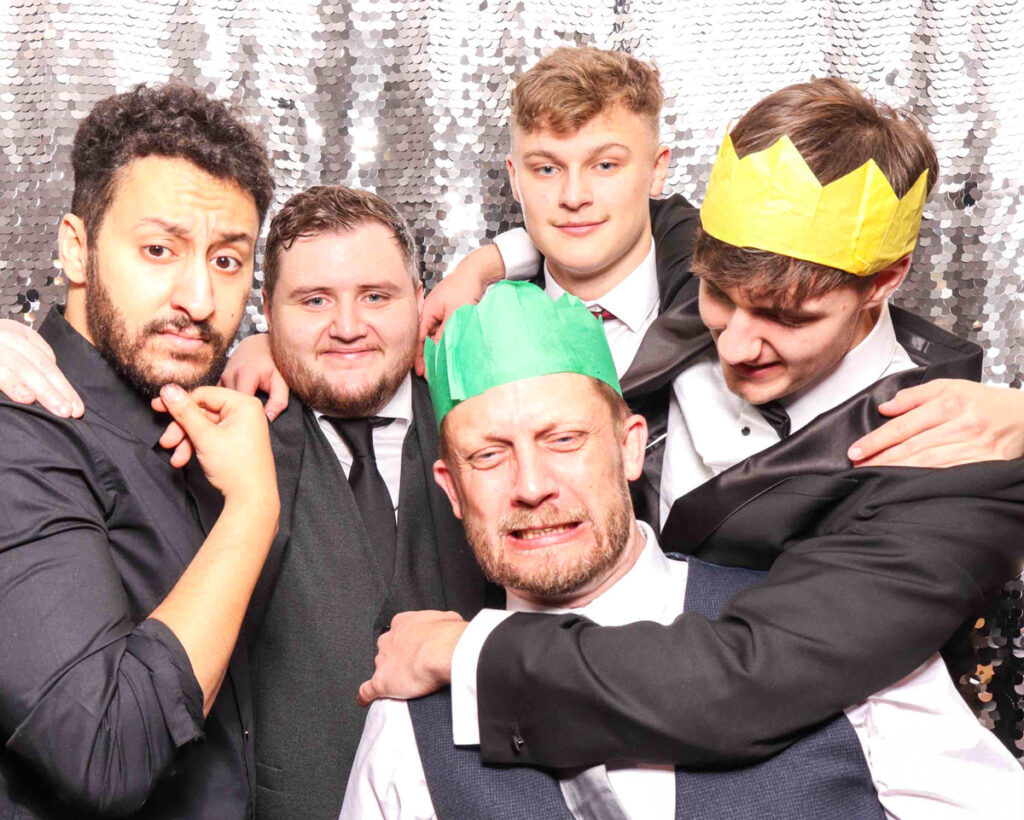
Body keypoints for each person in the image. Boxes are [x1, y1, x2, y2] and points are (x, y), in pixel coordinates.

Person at [355, 62, 1024, 770]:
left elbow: (748, 680)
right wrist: (481, 266)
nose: (734, 342)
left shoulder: (960, 464)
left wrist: (469, 652)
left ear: (884, 281)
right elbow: (612, 219)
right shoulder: (689, 254)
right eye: (720, 295)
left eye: (785, 317)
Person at [342, 280, 1024, 820]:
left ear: (632, 446)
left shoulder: (833, 643)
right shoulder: (409, 718)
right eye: (488, 456)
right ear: (451, 489)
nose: (531, 486)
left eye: (563, 440)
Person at [0, 83, 280, 818]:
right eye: (159, 249)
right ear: (76, 248)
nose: (198, 295)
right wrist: (251, 510)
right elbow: (105, 753)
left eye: (227, 260)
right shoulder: (22, 427)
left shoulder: (218, 416)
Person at [245, 185, 488, 819]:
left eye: (375, 297)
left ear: (418, 301)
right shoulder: (228, 440)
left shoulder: (492, 425)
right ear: (268, 311)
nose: (348, 327)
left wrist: (494, 259)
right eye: (314, 300)